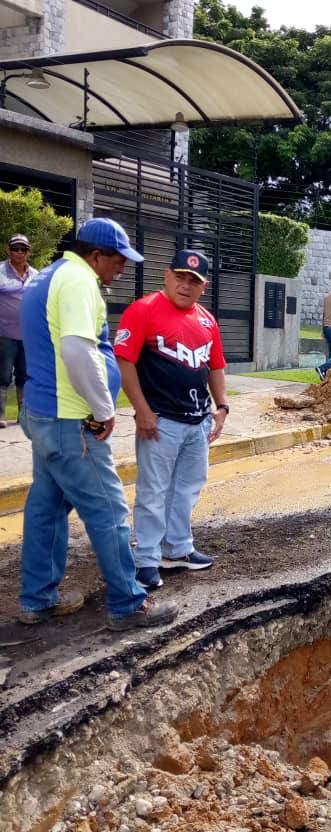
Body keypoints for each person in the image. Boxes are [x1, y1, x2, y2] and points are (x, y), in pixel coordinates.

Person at [18, 217, 177, 631]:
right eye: (118, 260)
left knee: (46, 509)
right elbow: (76, 350)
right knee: (108, 510)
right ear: (96, 255)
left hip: (43, 413)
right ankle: (127, 604)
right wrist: (104, 408)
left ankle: (37, 600)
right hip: (70, 419)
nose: (121, 269)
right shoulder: (79, 281)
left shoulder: (48, 277)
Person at [114, 250, 228, 591]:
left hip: (197, 420)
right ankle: (146, 559)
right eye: (180, 277)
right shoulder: (143, 311)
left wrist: (222, 407)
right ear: (167, 276)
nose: (185, 285)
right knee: (153, 492)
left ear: (203, 287)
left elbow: (216, 366)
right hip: (160, 420)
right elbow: (125, 362)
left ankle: (177, 548)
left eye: (194, 281)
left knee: (188, 488)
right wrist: (142, 409)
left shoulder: (207, 320)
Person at [0, 233, 38, 427]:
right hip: (4, 334)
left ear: (29, 252)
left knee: (25, 374)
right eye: (16, 248)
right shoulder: (0, 271)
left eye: (23, 249)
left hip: (28, 336)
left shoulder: (36, 275)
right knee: (3, 376)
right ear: (8, 250)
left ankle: (23, 416)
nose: (19, 252)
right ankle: (0, 416)